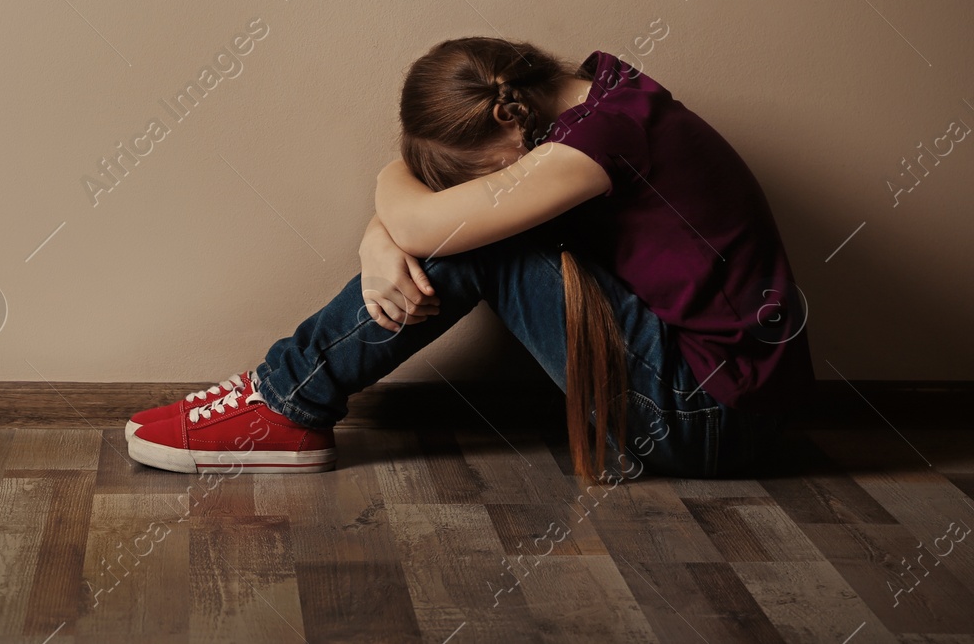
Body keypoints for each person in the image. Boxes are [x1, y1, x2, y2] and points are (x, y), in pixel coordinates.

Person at [125, 37, 815, 482]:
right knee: (474, 231)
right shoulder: (602, 96)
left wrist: (386, 220)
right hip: (724, 392)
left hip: (710, 418)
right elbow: (428, 216)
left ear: (509, 118)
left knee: (486, 246)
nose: (473, 190)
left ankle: (284, 404)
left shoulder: (590, 150)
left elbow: (430, 222)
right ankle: (285, 397)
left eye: (475, 174)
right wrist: (382, 236)